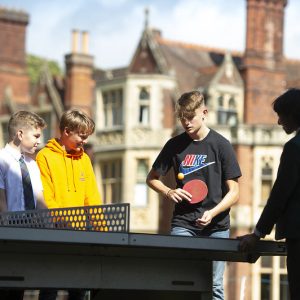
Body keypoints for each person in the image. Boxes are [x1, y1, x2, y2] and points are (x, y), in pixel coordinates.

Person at [146, 90, 241, 300]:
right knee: (181, 281)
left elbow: (234, 192)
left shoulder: (222, 145)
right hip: (183, 223)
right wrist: (169, 191)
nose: (186, 123)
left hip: (217, 226)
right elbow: (152, 178)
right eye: (182, 118)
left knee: (215, 285)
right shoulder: (174, 145)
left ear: (204, 112)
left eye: (190, 117)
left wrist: (213, 212)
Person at [239, 88, 300, 300]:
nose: (279, 122)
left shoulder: (294, 148)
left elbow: (279, 196)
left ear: (293, 114)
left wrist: (257, 234)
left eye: (281, 115)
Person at [36, 109, 102, 300]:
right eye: (81, 136)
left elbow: (92, 198)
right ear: (66, 131)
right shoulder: (45, 157)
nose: (85, 141)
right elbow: (45, 196)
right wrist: (62, 220)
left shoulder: (85, 159)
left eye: (87, 137)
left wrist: (103, 230)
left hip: (81, 235)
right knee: (50, 287)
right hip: (53, 233)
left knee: (79, 288)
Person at [0, 111, 47, 300]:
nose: (38, 141)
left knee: (21, 287)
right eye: (36, 136)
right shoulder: (2, 160)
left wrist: (49, 228)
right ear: (20, 134)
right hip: (8, 231)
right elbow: (1, 201)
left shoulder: (33, 165)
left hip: (30, 231)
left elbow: (40, 201)